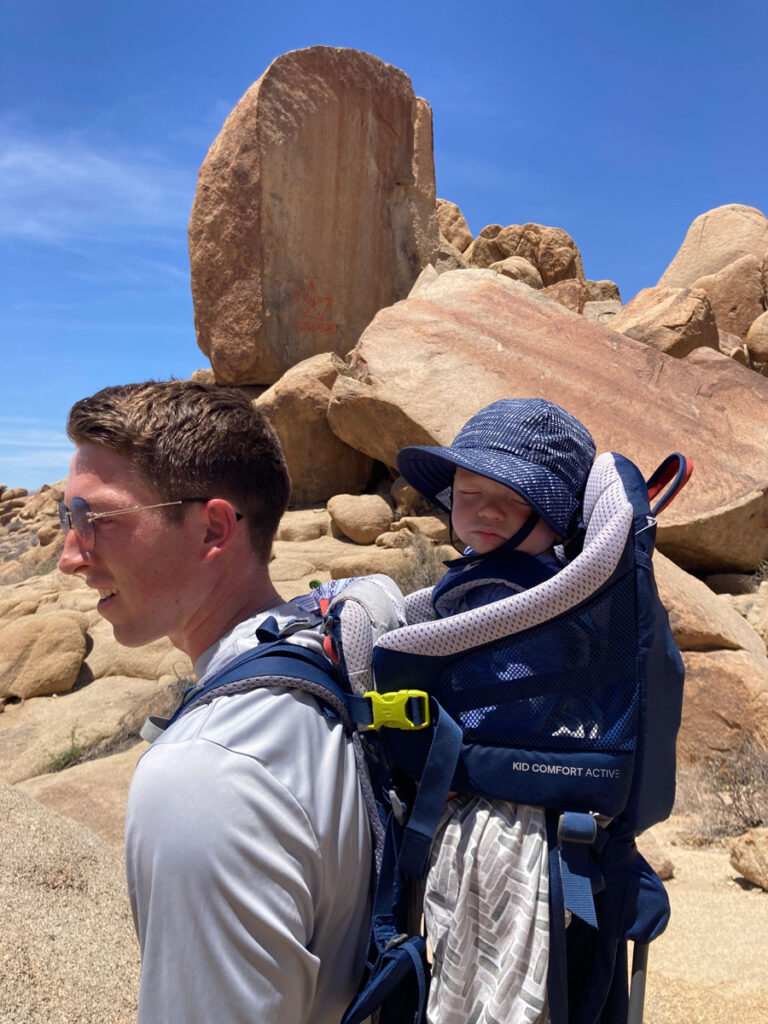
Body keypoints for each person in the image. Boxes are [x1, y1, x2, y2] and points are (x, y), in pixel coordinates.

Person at [57, 380, 372, 1024]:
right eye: (68, 518)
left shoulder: (207, 775)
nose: (69, 555)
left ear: (213, 529)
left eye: (97, 519)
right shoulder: (337, 648)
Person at [396, 398, 596, 1024]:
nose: (481, 510)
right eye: (467, 490)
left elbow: (509, 701)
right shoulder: (507, 580)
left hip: (504, 792)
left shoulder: (530, 597)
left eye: (509, 496)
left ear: (558, 515)